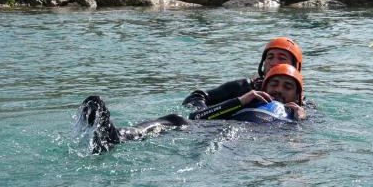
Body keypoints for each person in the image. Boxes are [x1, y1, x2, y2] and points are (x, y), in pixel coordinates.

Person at [78, 64, 306, 154]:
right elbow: (196, 117)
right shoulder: (249, 98)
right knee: (175, 119)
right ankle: (116, 136)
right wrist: (240, 101)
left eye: (287, 87)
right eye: (273, 84)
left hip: (246, 142)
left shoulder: (296, 114)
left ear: (298, 96)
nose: (278, 90)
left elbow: (300, 143)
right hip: (219, 129)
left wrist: (300, 120)